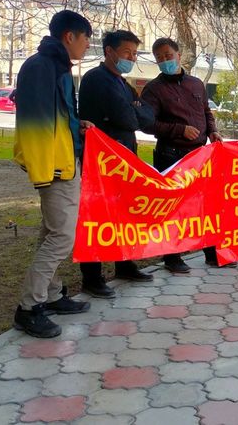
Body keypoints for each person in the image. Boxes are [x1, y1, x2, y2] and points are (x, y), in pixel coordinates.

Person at [11, 10, 93, 338]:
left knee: (51, 233)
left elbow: (58, 116)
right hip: (55, 169)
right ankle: (29, 307)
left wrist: (77, 126)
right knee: (63, 237)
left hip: (65, 163)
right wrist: (43, 170)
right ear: (69, 36)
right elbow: (33, 122)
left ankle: (53, 295)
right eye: (86, 39)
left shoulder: (58, 67)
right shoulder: (40, 67)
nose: (87, 45)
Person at [77, 30, 155, 297]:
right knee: (98, 218)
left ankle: (124, 264)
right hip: (101, 162)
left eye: (134, 54)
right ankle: (92, 277)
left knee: (123, 214)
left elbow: (146, 116)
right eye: (126, 53)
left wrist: (133, 108)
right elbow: (129, 118)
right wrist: (133, 109)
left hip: (124, 159)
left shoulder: (121, 81)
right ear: (109, 51)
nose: (131, 58)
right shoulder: (96, 79)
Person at [141, 37, 226, 272]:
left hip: (199, 155)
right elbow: (146, 124)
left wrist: (213, 131)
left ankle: (212, 253)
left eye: (168, 55)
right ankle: (172, 257)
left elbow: (206, 112)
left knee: (206, 206)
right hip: (171, 155)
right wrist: (179, 130)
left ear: (178, 55)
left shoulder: (196, 84)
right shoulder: (153, 89)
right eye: (159, 58)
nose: (165, 60)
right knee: (173, 208)